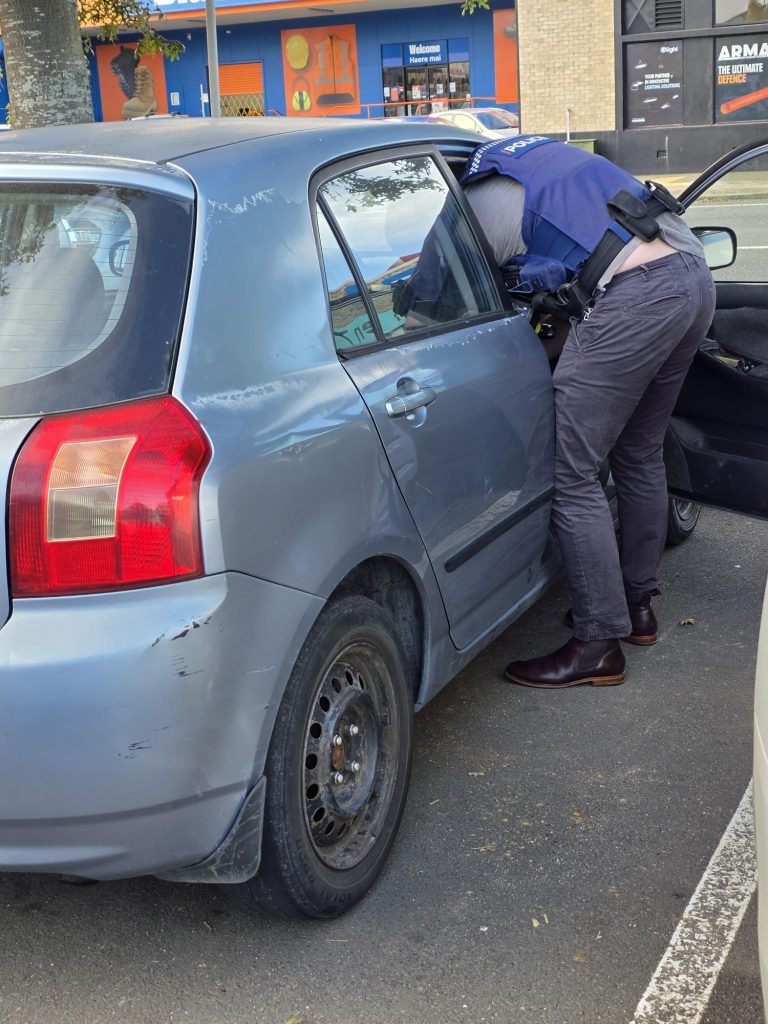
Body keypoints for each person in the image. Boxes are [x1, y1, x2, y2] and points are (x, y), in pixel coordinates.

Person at [459, 134, 716, 689]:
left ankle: (598, 642)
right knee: (640, 449)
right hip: (692, 272)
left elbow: (436, 297)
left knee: (571, 469)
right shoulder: (538, 162)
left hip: (639, 292)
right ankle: (636, 607)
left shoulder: (470, 207)